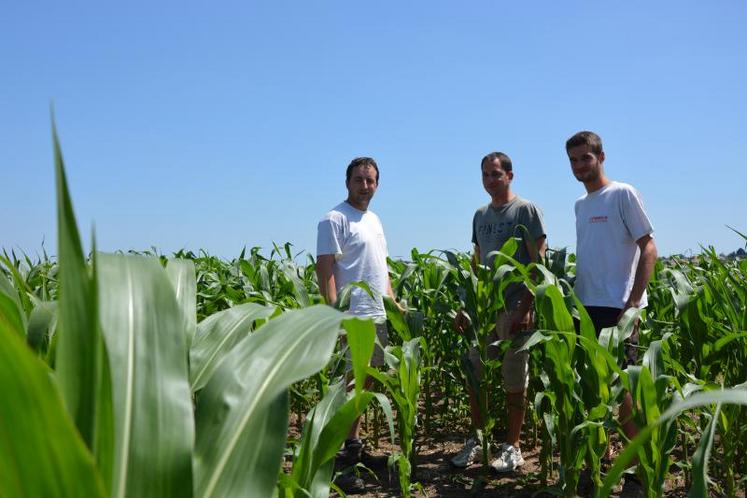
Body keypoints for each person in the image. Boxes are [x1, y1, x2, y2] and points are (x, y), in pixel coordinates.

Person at [566, 130, 657, 496]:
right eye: (573, 160)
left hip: (618, 310)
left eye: (585, 158)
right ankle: (596, 461)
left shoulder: (623, 193)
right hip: (586, 309)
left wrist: (633, 302)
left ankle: (636, 474)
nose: (579, 166)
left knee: (625, 396)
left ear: (601, 157)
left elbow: (648, 247)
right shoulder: (580, 205)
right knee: (590, 391)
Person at [451, 152, 546, 473]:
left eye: (496, 174)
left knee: (514, 378)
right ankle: (478, 441)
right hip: (484, 309)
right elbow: (476, 264)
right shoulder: (480, 216)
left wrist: (526, 307)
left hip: (514, 309)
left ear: (510, 175)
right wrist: (466, 306)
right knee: (475, 375)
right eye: (486, 175)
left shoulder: (525, 210)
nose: (491, 180)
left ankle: (513, 446)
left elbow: (538, 264)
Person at [316, 156, 399, 493]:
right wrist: (335, 314)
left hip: (376, 315)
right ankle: (342, 464)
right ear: (347, 182)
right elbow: (325, 270)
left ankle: (355, 449)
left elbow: (383, 268)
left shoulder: (374, 219)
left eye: (371, 180)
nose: (365, 186)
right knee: (349, 389)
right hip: (353, 318)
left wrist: (394, 303)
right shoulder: (334, 219)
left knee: (367, 388)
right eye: (359, 180)